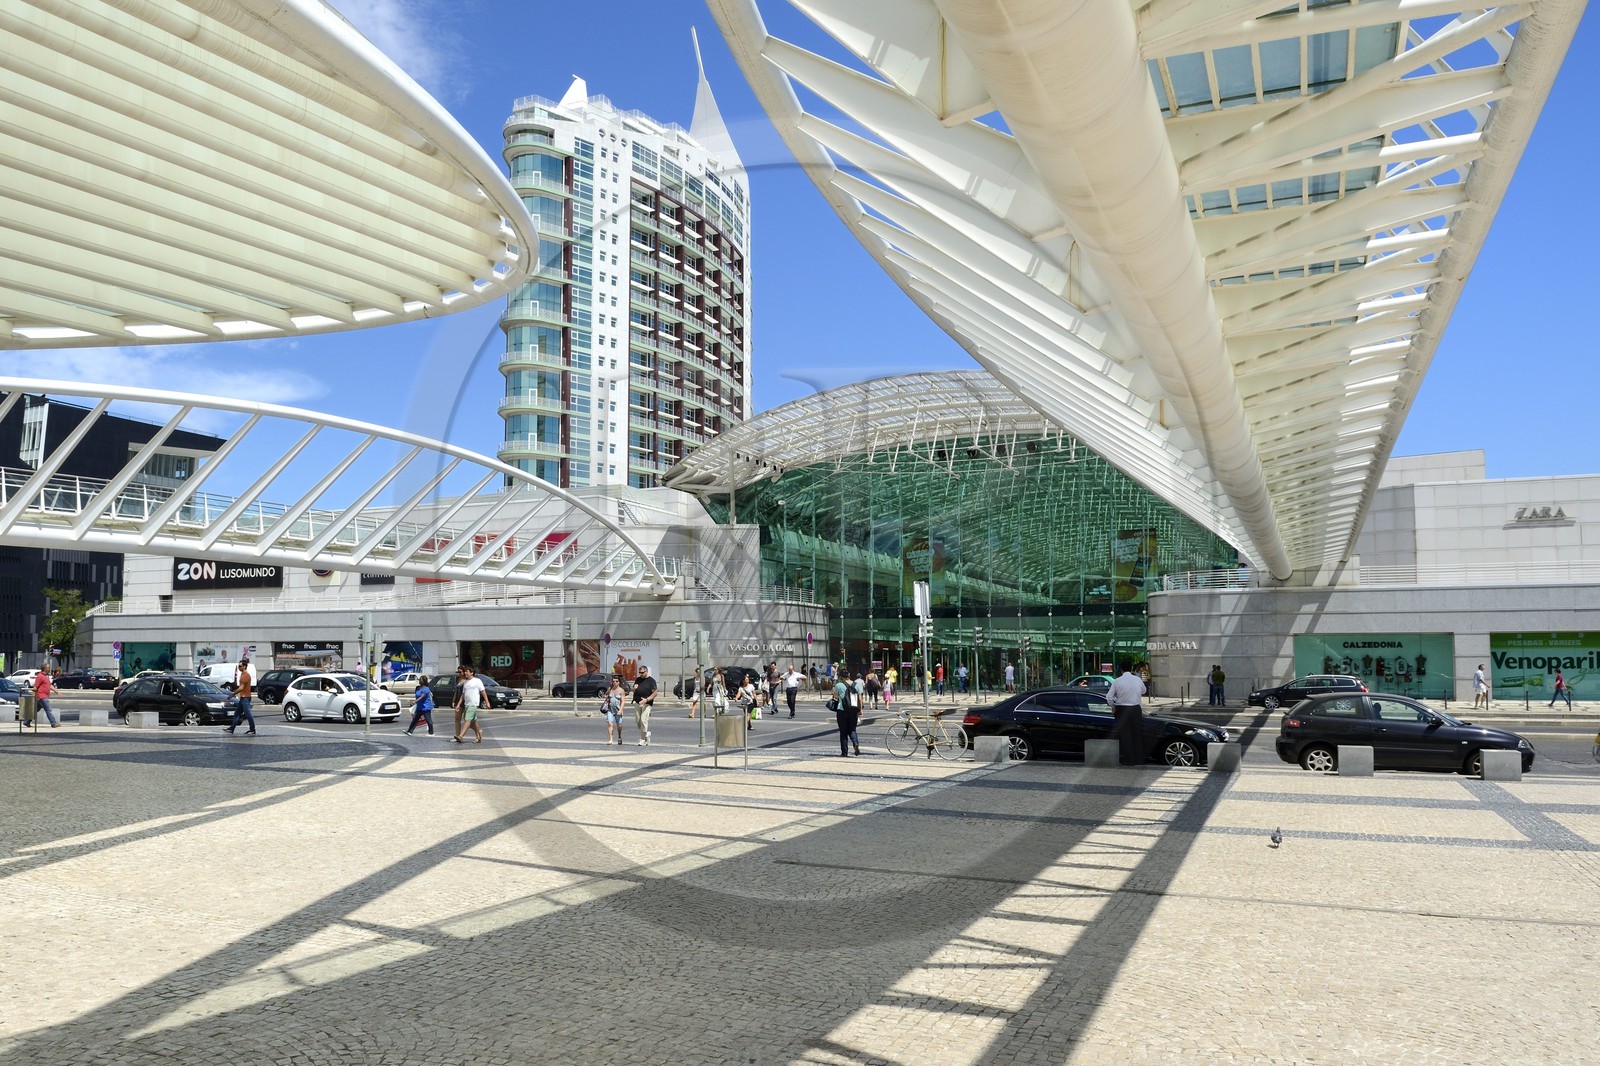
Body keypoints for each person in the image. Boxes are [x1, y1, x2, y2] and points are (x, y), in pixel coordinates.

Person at [1107, 661, 1147, 766]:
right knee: (1136, 734)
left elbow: (1109, 697)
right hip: (1135, 709)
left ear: (1121, 670)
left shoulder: (1117, 681)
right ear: (1132, 669)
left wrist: (1113, 706)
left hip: (1122, 709)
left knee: (1125, 735)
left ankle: (1129, 760)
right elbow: (1144, 691)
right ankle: (1139, 759)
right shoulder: (1137, 679)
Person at [454, 665, 486, 744]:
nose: (465, 673)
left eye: (466, 671)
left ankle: (461, 736)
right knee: (473, 723)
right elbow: (463, 694)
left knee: (467, 720)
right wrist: (458, 704)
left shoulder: (477, 681)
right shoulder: (466, 682)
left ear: (472, 673)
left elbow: (483, 691)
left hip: (473, 704)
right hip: (466, 704)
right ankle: (478, 734)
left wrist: (487, 702)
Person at [833, 672, 862, 756]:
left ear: (841, 677)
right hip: (853, 710)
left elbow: (835, 696)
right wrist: (860, 710)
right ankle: (855, 743)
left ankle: (844, 753)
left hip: (842, 710)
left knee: (843, 732)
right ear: (849, 677)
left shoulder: (839, 685)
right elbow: (860, 699)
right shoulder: (857, 685)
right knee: (852, 729)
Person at [226, 659, 257, 735]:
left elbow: (241, 687)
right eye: (238, 666)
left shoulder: (245, 676)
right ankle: (231, 728)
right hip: (243, 697)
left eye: (240, 666)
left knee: (248, 714)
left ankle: (252, 729)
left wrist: (232, 695)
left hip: (245, 697)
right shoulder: (244, 675)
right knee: (237, 713)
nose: (239, 667)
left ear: (244, 666)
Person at [632, 665, 657, 745]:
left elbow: (655, 693)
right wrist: (634, 688)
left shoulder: (651, 681)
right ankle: (646, 734)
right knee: (638, 721)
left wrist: (646, 699)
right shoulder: (638, 679)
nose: (641, 674)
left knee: (643, 720)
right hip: (637, 702)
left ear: (646, 672)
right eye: (639, 673)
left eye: (642, 672)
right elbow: (633, 690)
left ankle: (642, 739)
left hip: (647, 703)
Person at [602, 676, 625, 745]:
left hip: (618, 710)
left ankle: (619, 736)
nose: (615, 683)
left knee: (619, 725)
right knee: (610, 723)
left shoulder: (621, 690)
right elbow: (605, 695)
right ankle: (611, 739)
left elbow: (623, 701)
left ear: (619, 682)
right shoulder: (610, 689)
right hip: (610, 710)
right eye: (613, 681)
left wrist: (620, 710)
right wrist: (606, 696)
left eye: (616, 681)